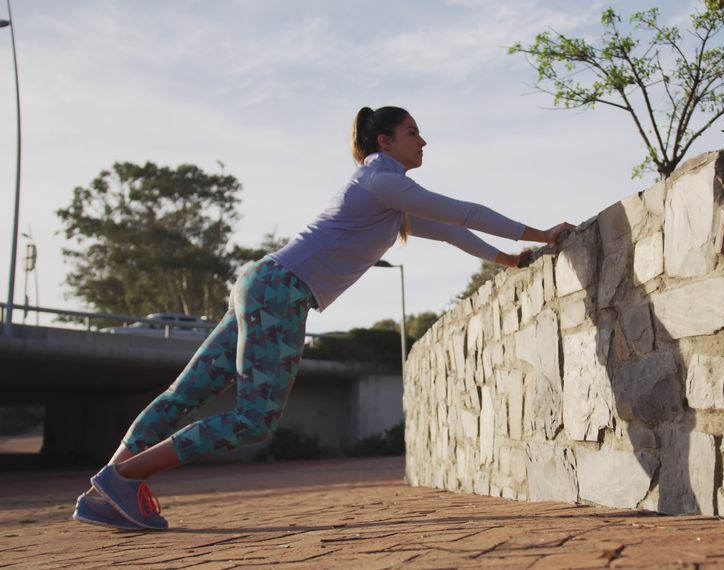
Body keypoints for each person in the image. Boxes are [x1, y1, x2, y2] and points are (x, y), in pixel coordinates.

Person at [72, 106, 575, 531]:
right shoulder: (382, 181)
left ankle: (105, 493)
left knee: (186, 395)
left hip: (262, 282)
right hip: (281, 292)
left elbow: (450, 230)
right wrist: (540, 234)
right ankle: (123, 479)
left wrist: (506, 261)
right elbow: (463, 211)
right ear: (385, 140)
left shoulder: (381, 191)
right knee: (255, 417)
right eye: (413, 133)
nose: (424, 142)